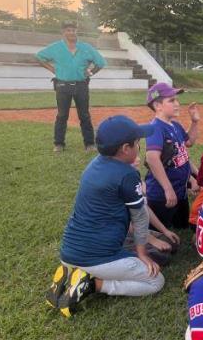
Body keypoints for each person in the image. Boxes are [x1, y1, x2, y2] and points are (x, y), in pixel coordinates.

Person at [45, 115, 164, 317]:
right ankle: (92, 284)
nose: (139, 146)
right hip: (96, 257)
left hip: (70, 250)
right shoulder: (127, 174)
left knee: (154, 251)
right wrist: (142, 253)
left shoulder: (95, 164)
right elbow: (140, 217)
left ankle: (73, 272)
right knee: (156, 281)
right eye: (137, 143)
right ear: (126, 149)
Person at [36, 21, 106, 153]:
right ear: (63, 32)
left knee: (84, 115)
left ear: (76, 31)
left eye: (73, 30)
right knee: (62, 115)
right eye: (68, 30)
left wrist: (90, 72)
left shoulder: (86, 47)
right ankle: (59, 144)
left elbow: (101, 62)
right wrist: (52, 69)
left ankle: (90, 144)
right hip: (62, 85)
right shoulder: (56, 47)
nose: (71, 32)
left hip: (81, 85)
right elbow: (39, 56)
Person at [144, 82, 200, 230]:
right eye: (171, 100)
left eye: (176, 99)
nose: (177, 103)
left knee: (182, 225)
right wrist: (167, 189)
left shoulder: (174, 124)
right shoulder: (155, 127)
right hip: (162, 195)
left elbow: (189, 142)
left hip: (180, 189)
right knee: (159, 230)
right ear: (158, 106)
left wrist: (194, 122)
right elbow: (152, 157)